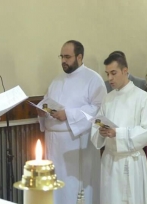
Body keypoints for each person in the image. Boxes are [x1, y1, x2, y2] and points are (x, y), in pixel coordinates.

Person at [37, 40, 107, 204]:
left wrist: (68, 114)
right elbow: (47, 104)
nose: (63, 60)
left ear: (80, 57)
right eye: (61, 56)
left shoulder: (93, 79)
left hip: (76, 145)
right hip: (53, 144)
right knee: (56, 190)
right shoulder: (56, 80)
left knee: (73, 190)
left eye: (67, 57)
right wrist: (41, 111)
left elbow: (99, 110)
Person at [91, 53, 147, 204]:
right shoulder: (107, 98)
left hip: (131, 161)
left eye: (113, 73)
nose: (110, 78)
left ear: (125, 71)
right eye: (107, 74)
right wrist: (101, 132)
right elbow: (97, 125)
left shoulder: (142, 97)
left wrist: (118, 134)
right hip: (109, 161)